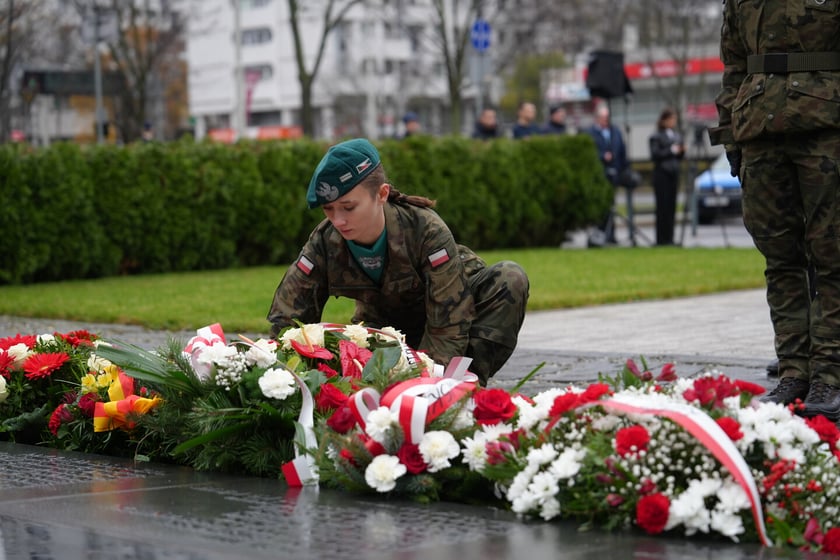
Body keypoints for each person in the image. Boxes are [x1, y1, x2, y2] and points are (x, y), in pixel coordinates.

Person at [266, 138, 530, 386]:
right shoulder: (324, 242)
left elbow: (449, 321)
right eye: (328, 209)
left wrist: (429, 388)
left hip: (449, 323)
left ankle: (466, 385)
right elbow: (288, 320)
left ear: (381, 194)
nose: (338, 220)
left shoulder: (425, 229)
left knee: (510, 277)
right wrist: (283, 381)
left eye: (348, 207)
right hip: (389, 336)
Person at [709, 0, 840, 420]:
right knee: (779, 258)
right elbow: (734, 67)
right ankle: (794, 371)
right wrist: (731, 137)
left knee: (833, 254)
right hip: (760, 130)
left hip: (826, 129)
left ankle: (830, 375)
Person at [585, 103, 628, 245]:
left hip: (614, 174)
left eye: (607, 118)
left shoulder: (615, 131)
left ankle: (611, 235)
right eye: (603, 117)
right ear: (597, 118)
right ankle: (599, 235)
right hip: (599, 175)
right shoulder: (590, 133)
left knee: (612, 206)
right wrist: (602, 156)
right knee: (600, 207)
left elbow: (622, 151)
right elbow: (588, 152)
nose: (606, 120)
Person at [648, 108, 685, 246]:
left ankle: (670, 238)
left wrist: (681, 151)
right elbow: (655, 154)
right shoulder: (656, 137)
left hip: (673, 174)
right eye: (671, 119)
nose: (673, 122)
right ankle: (661, 239)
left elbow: (679, 156)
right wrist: (671, 150)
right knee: (662, 208)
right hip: (662, 175)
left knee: (671, 207)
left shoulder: (676, 135)